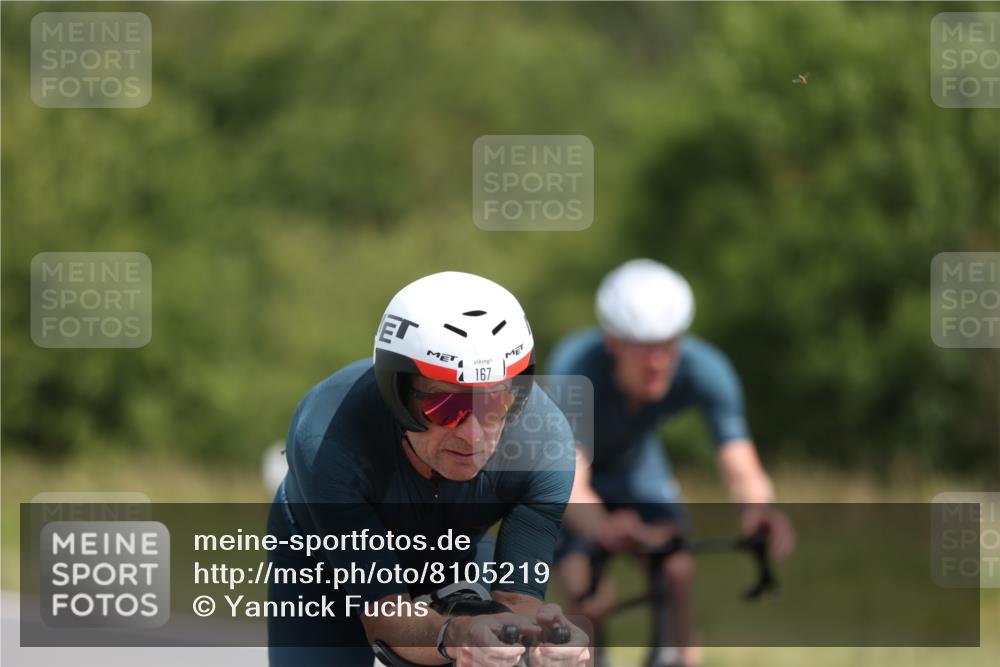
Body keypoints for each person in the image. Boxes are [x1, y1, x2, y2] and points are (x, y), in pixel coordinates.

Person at [267, 271, 591, 667]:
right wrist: (453, 635)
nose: (472, 437)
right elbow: (386, 617)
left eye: (494, 405)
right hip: (321, 555)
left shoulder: (547, 447)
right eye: (446, 407)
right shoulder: (327, 439)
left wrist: (543, 638)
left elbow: (517, 600)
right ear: (397, 393)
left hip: (455, 547)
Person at [548, 259, 795, 667]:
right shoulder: (575, 370)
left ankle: (679, 656)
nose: (658, 361)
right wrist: (605, 527)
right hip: (574, 483)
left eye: (668, 345)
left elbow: (739, 460)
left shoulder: (705, 368)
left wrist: (758, 509)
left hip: (636, 469)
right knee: (589, 598)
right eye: (643, 347)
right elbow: (569, 482)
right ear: (612, 342)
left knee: (677, 568)